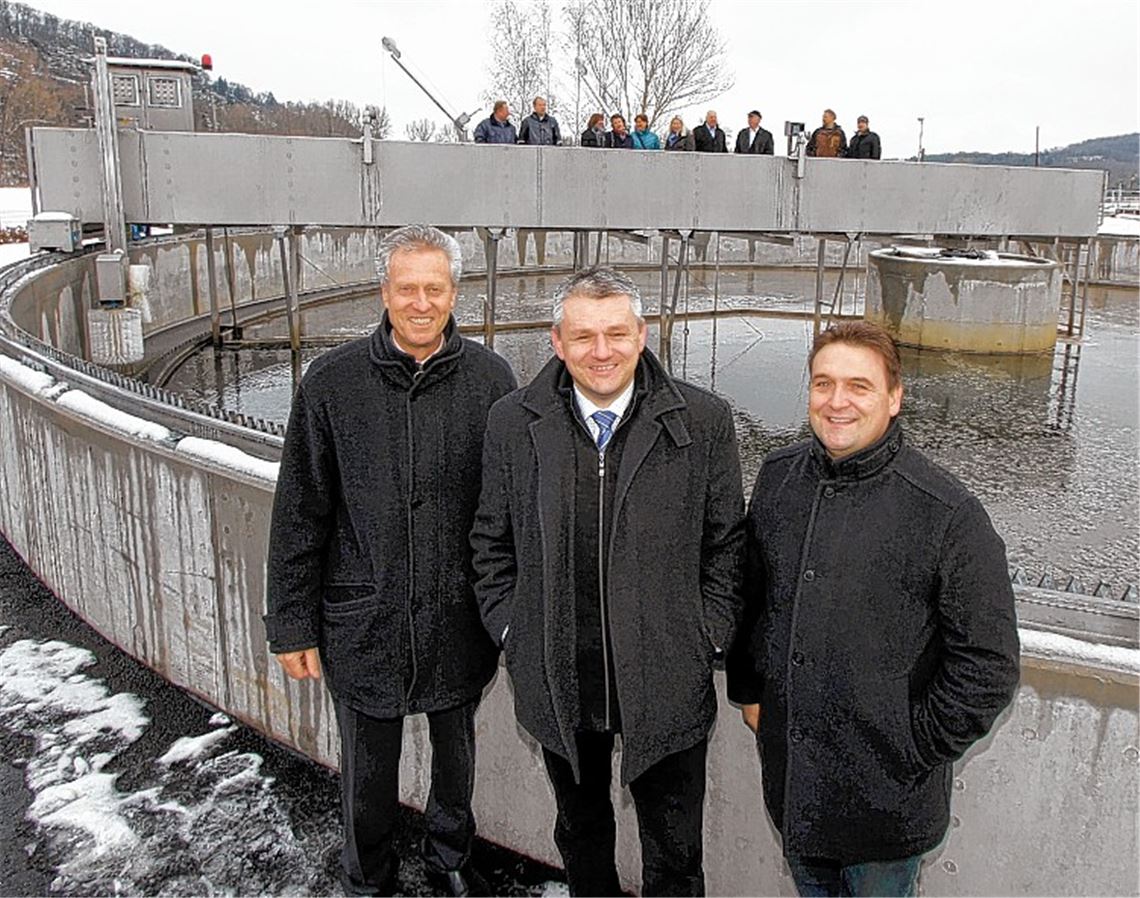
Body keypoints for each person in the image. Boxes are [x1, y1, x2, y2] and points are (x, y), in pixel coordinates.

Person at [471, 268, 745, 897]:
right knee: (582, 834)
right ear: (556, 341)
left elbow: (727, 546)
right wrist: (514, 629)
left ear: (643, 335)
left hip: (665, 676)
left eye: (617, 334)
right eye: (584, 336)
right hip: (561, 676)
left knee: (675, 854)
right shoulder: (513, 422)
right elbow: (490, 542)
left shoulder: (703, 422)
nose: (602, 351)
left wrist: (704, 636)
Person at [726, 321, 1020, 898]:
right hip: (796, 788)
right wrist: (751, 693)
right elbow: (752, 598)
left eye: (859, 386)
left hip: (886, 806)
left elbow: (989, 664)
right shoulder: (779, 477)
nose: (838, 402)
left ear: (894, 398)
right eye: (823, 383)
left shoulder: (947, 512)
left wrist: (912, 748)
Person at [265, 225, 517, 897]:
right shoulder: (332, 383)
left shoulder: (493, 382)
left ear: (453, 293)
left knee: (456, 756)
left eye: (434, 288)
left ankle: (449, 858)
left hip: (456, 615)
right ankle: (366, 874)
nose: (420, 302)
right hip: (363, 618)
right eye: (407, 288)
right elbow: (300, 509)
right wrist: (290, 624)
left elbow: (512, 513)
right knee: (367, 769)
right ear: (384, 292)